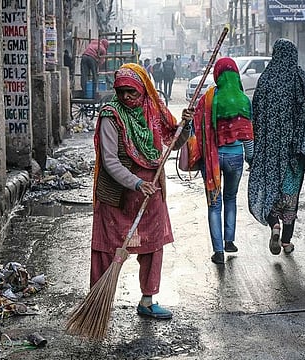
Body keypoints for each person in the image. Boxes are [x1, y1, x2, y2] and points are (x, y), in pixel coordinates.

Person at [91, 63, 194, 319]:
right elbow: (110, 160)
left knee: (152, 244)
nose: (126, 97)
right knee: (107, 248)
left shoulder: (153, 108)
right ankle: (97, 302)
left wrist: (186, 126)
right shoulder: (110, 115)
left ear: (142, 91)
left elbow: (173, 140)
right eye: (122, 91)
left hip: (151, 190)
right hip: (118, 192)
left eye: (132, 92)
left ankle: (147, 300)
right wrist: (136, 183)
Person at [248, 38, 305, 255]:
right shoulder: (302, 79)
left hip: (269, 150)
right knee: (291, 195)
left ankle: (274, 223)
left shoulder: (266, 80)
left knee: (272, 188)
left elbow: (255, 115)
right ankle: (286, 241)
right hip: (295, 152)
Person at [189, 57, 254, 265]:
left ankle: (218, 251)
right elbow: (247, 135)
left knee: (214, 204)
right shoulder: (243, 100)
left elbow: (196, 127)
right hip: (236, 157)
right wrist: (251, 159)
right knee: (231, 198)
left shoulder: (208, 98)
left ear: (217, 75)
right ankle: (229, 240)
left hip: (213, 157)